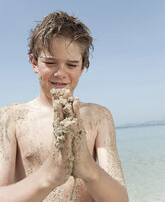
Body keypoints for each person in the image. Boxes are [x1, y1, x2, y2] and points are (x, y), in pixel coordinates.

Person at [0, 11, 129, 202]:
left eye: (71, 65)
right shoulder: (11, 117)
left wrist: (88, 168)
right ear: (34, 62)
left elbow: (121, 199)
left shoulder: (99, 116)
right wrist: (49, 176)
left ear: (82, 67)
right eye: (51, 63)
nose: (60, 73)